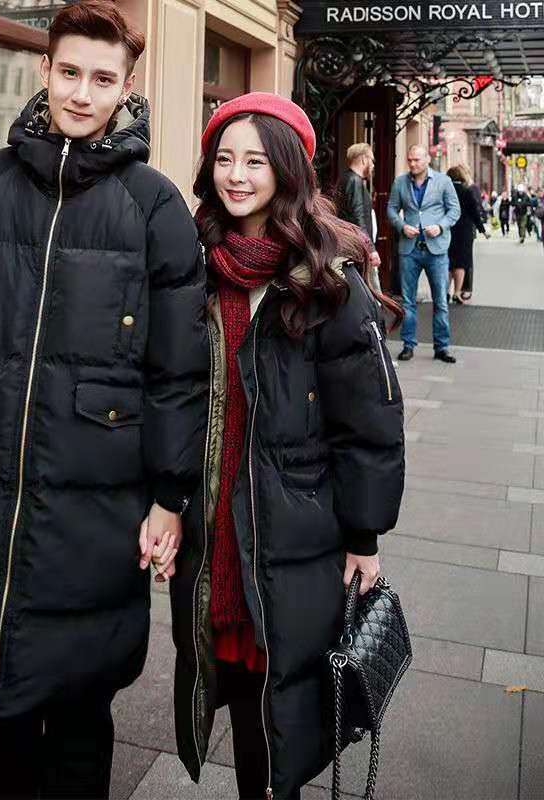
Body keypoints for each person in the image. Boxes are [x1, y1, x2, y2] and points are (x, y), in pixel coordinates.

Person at [0, 3, 209, 799]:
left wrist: (169, 498)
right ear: (45, 71)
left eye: (102, 78)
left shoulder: (154, 208)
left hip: (97, 507)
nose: (82, 94)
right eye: (69, 73)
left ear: (126, 87)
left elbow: (178, 371)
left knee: (78, 716)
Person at [169, 93, 405, 800]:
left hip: (293, 527)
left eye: (255, 161)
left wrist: (363, 537)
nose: (237, 175)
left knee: (284, 707)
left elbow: (369, 422)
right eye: (225, 159)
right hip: (216, 523)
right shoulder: (193, 262)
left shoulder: (327, 276)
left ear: (286, 169)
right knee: (241, 690)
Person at [387, 144, 461, 363]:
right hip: (409, 249)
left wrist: (440, 226)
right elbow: (391, 209)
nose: (412, 163)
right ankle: (408, 345)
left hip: (436, 249)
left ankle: (442, 347)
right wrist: (402, 226)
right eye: (410, 160)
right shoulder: (400, 182)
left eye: (416, 160)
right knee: (408, 301)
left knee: (441, 301)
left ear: (427, 159)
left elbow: (455, 210)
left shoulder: (443, 181)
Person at [336, 142, 382, 292]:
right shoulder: (354, 181)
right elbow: (358, 217)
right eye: (372, 160)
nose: (373, 165)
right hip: (358, 248)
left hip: (352, 245)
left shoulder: (346, 179)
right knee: (372, 293)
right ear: (364, 159)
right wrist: (370, 249)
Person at [446, 165, 489, 304]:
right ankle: (457, 292)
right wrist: (482, 229)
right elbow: (474, 213)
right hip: (464, 231)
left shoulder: (445, 191)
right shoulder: (467, 191)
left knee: (448, 262)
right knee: (461, 263)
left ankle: (445, 292)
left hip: (447, 229)